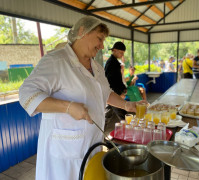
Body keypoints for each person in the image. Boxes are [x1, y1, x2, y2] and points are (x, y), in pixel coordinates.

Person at [19, 16, 141, 180]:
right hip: (64, 151)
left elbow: (106, 93)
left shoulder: (96, 67)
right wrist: (68, 107)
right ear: (82, 31)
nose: (102, 45)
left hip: (92, 144)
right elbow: (27, 94)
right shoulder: (57, 60)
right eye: (99, 38)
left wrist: (127, 106)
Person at [104, 41, 128, 120]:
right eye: (121, 52)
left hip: (112, 93)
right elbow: (110, 81)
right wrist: (118, 94)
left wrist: (123, 88)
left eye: (123, 53)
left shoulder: (115, 62)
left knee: (107, 115)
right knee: (125, 117)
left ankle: (99, 130)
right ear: (114, 50)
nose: (122, 55)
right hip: (113, 93)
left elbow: (118, 79)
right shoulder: (111, 63)